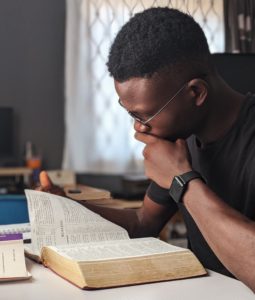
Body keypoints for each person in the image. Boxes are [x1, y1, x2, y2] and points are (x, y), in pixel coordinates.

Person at [38, 7, 255, 292]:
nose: (139, 129)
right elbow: (143, 223)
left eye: (144, 116)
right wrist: (69, 207)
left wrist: (183, 182)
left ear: (196, 93)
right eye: (131, 115)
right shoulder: (180, 138)